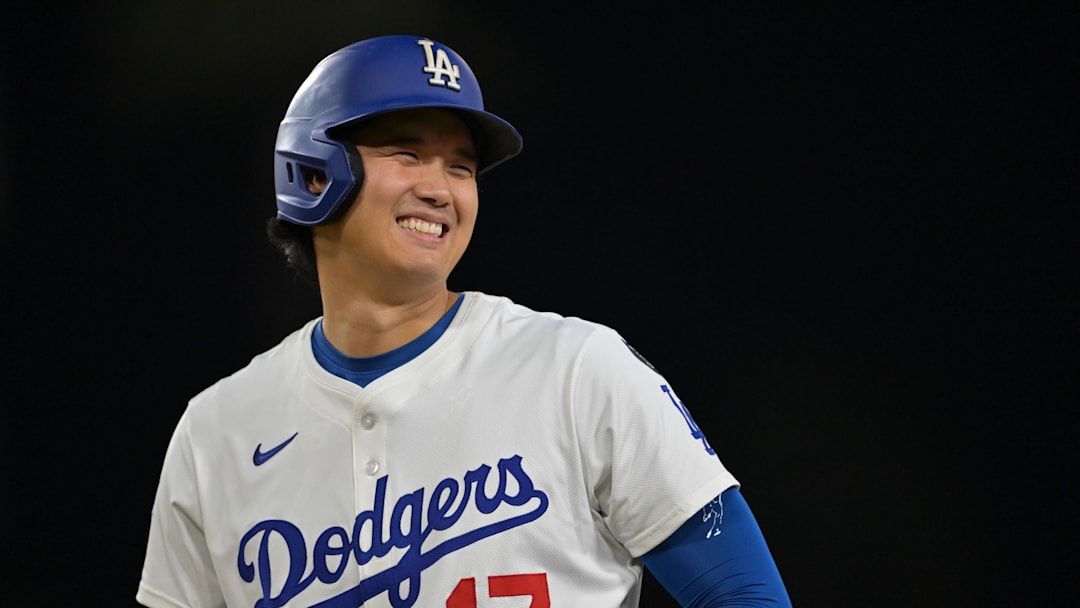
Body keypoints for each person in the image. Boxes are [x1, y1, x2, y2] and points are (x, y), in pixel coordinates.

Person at [136, 34, 792, 608]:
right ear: (312, 177)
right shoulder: (216, 432)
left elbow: (742, 592)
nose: (441, 188)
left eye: (461, 165)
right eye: (407, 153)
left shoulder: (577, 371)